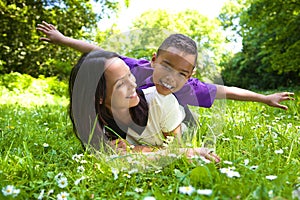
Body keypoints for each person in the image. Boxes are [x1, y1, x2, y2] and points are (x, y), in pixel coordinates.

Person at [36, 21, 295, 115]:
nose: (171, 77)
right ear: (153, 60)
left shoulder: (191, 89)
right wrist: (62, 39)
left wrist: (264, 98)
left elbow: (228, 91)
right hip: (133, 118)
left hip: (167, 123)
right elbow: (97, 51)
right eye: (167, 66)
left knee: (184, 121)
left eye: (182, 73)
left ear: (190, 76)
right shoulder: (135, 70)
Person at [70, 49, 220, 162]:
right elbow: (108, 158)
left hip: (180, 120)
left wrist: (135, 150)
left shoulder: (161, 101)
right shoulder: (97, 123)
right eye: (121, 83)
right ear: (99, 97)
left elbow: (178, 150)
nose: (133, 84)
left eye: (129, 74)